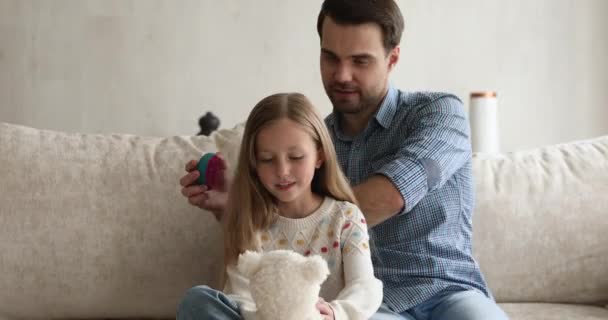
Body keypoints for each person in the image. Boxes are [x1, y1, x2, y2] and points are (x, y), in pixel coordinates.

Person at [180, 0, 509, 319]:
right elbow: (281, 243)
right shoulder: (310, 145)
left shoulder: (438, 113)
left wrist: (260, 204)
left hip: (451, 291)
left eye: (360, 61)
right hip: (370, 307)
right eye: (331, 58)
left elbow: (391, 196)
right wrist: (235, 207)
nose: (342, 74)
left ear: (392, 58)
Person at [177, 92, 383, 320]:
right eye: (267, 159)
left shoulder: (345, 217)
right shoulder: (249, 218)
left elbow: (364, 286)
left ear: (319, 156)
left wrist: (336, 313)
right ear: (254, 163)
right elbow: (241, 297)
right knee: (197, 300)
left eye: (295, 157)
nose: (282, 171)